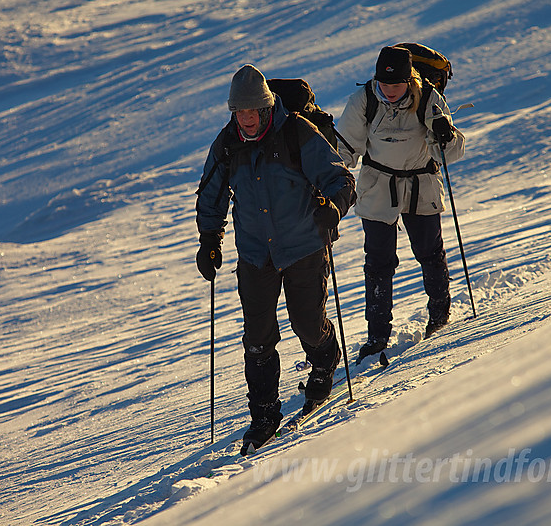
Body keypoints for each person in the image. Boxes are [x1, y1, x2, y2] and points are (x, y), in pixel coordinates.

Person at [195, 64, 356, 451]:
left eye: (252, 112)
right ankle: (264, 414)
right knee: (257, 338)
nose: (246, 120)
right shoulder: (227, 144)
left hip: (304, 247)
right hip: (254, 254)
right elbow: (211, 195)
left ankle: (325, 354)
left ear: (266, 108)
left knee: (307, 323)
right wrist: (209, 239)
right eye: (239, 113)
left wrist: (333, 208)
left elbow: (341, 178)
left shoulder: (298, 133)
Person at [335, 46, 466, 363]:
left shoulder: (428, 97)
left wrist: (446, 135)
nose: (390, 91)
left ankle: (439, 317)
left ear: (410, 80)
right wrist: (327, 176)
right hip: (379, 185)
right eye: (384, 85)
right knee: (378, 261)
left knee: (429, 253)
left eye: (396, 85)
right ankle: (377, 336)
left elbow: (449, 153)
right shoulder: (364, 100)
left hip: (421, 183)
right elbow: (345, 148)